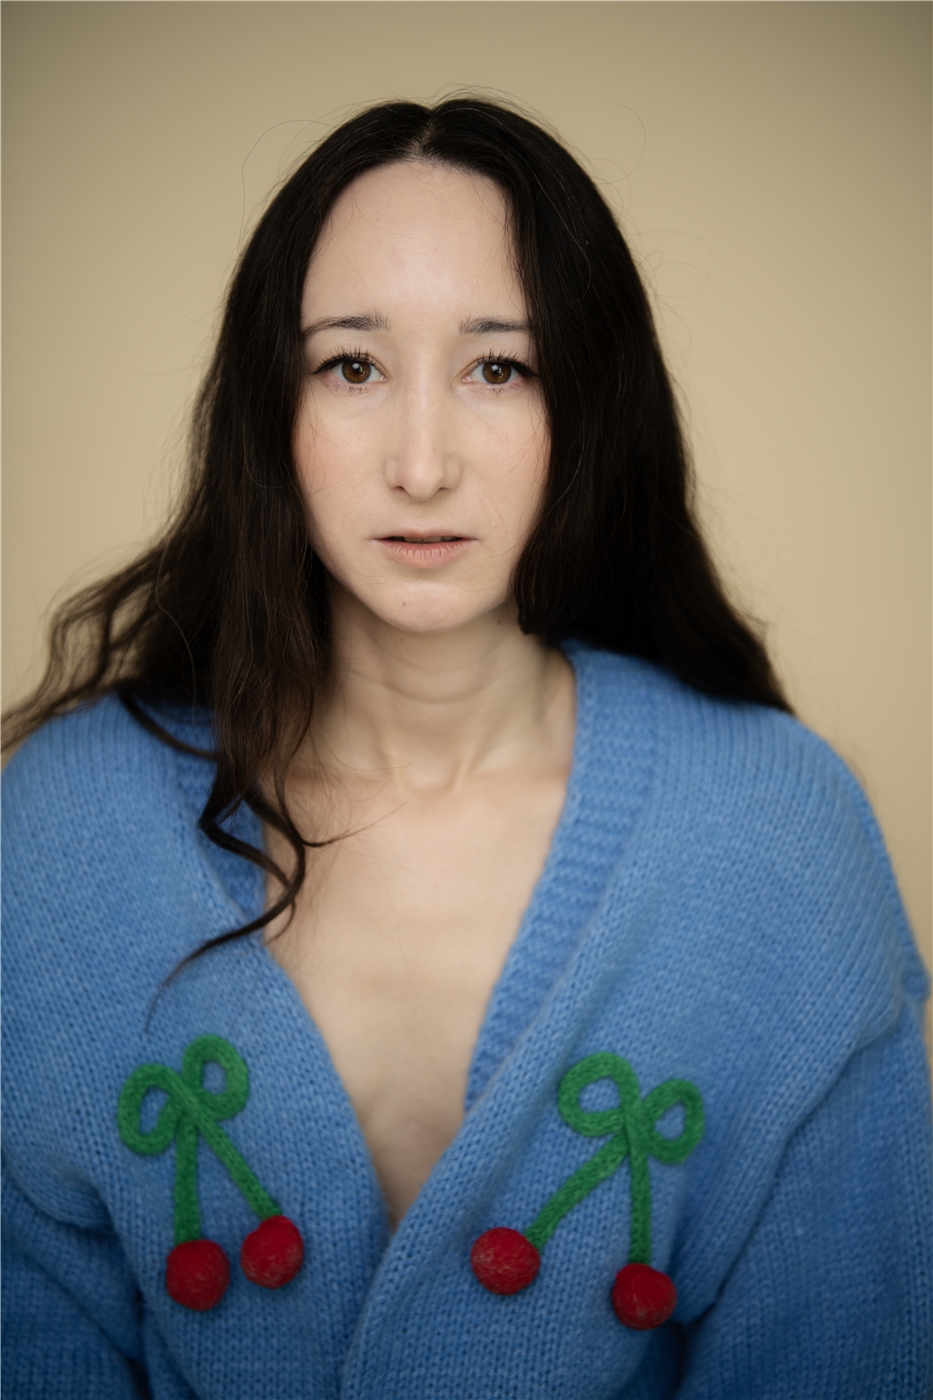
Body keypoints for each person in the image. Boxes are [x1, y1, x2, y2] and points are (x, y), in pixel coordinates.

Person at [2, 97, 930, 1400]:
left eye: (499, 368)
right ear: (270, 411)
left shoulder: (775, 834)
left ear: (589, 405)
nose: (422, 464)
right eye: (352, 367)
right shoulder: (58, 832)